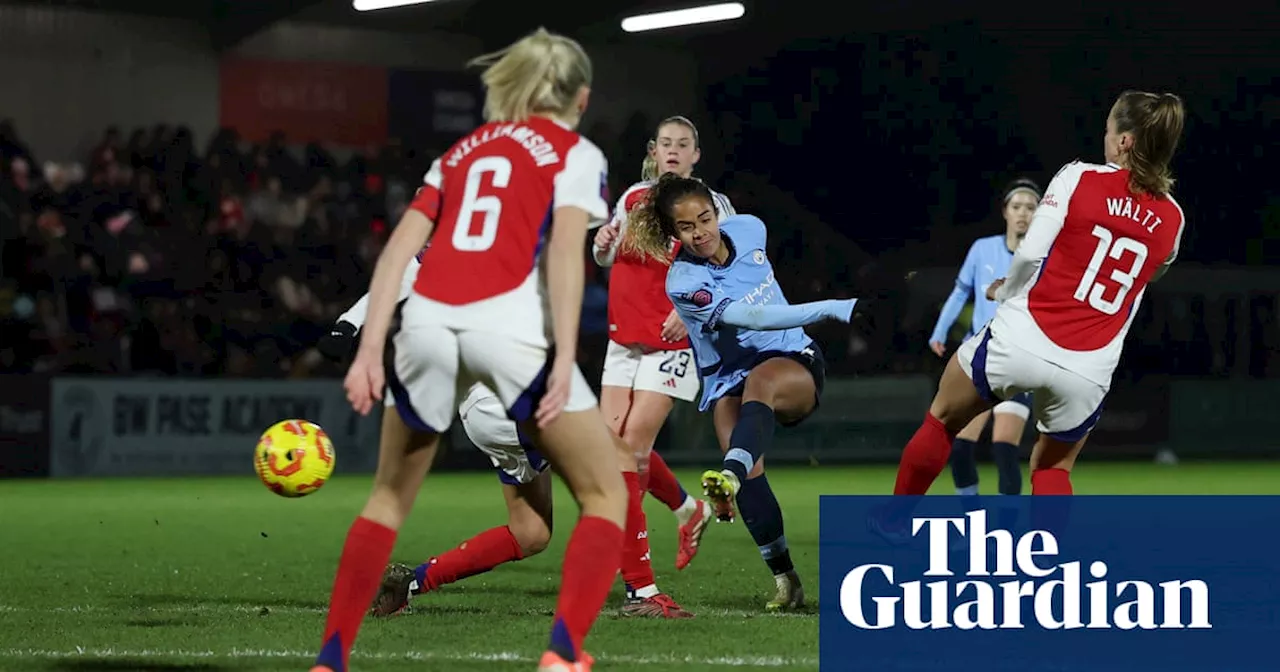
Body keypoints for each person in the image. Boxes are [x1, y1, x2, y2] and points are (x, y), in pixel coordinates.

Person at [310, 28, 625, 672]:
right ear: (581, 97)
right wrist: (564, 352)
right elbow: (567, 254)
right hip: (507, 327)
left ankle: (331, 660)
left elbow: (401, 249)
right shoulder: (576, 153)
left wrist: (370, 348)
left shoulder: (463, 151)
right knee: (604, 493)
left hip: (426, 326)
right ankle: (562, 656)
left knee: (388, 500)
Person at [890, 90, 1186, 504]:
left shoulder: (1079, 176)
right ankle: (1044, 563)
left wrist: (1004, 290)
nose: (1104, 137)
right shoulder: (1173, 218)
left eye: (1108, 130)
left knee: (941, 420)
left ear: (1124, 141)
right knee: (1052, 469)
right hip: (1088, 367)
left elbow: (1029, 252)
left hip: (1025, 335)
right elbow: (1148, 275)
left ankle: (893, 521)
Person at [623, 173, 883, 611]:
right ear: (673, 235)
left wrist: (834, 310)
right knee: (746, 473)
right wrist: (838, 308)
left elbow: (771, 327)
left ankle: (729, 474)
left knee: (759, 390)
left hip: (791, 360)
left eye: (704, 218)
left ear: (717, 211)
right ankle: (788, 582)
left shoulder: (750, 229)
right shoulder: (683, 282)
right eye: (686, 228)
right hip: (728, 378)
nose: (700, 232)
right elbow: (756, 318)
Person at [317, 259, 558, 620]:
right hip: (504, 401)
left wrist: (348, 325)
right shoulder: (471, 241)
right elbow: (400, 275)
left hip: (490, 405)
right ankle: (642, 588)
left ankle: (409, 584)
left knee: (531, 533)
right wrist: (348, 325)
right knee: (618, 456)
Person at [588, 116, 732, 618]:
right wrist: (603, 244)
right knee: (611, 454)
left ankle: (641, 588)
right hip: (621, 337)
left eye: (683, 144)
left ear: (696, 154)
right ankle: (687, 510)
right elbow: (606, 255)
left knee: (628, 451)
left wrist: (689, 308)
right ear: (654, 150)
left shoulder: (709, 205)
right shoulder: (634, 198)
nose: (674, 150)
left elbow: (730, 269)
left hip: (671, 342)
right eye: (666, 143)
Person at [927, 178, 1042, 503]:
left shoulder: (1043, 258)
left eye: (1031, 208)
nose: (1023, 214)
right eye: (1016, 206)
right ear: (1005, 211)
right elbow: (961, 291)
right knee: (961, 448)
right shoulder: (982, 248)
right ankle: (974, 523)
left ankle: (1005, 530)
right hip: (980, 361)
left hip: (1019, 362)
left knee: (1004, 448)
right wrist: (939, 331)